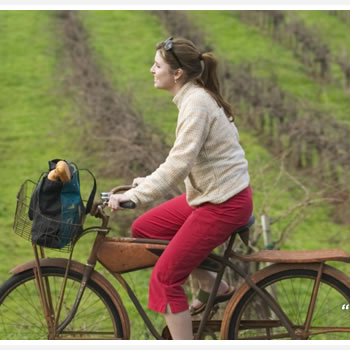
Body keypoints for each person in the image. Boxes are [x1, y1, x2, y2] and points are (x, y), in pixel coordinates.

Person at [107, 36, 252, 340]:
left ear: (177, 74)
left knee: (165, 279)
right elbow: (183, 159)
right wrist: (146, 183)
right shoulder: (191, 98)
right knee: (146, 228)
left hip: (224, 203)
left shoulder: (196, 104)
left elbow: (178, 166)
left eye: (157, 65)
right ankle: (214, 285)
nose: (151, 70)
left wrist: (134, 196)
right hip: (210, 196)